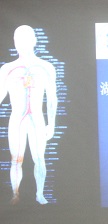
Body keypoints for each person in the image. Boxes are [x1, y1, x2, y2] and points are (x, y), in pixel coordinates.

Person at [0, 25, 57, 205]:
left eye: (25, 38)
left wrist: (52, 124)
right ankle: (15, 194)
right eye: (18, 39)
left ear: (34, 40)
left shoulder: (46, 67)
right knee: (16, 159)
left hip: (37, 118)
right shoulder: (7, 69)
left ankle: (40, 194)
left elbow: (52, 98)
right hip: (17, 118)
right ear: (14, 42)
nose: (21, 43)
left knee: (39, 158)